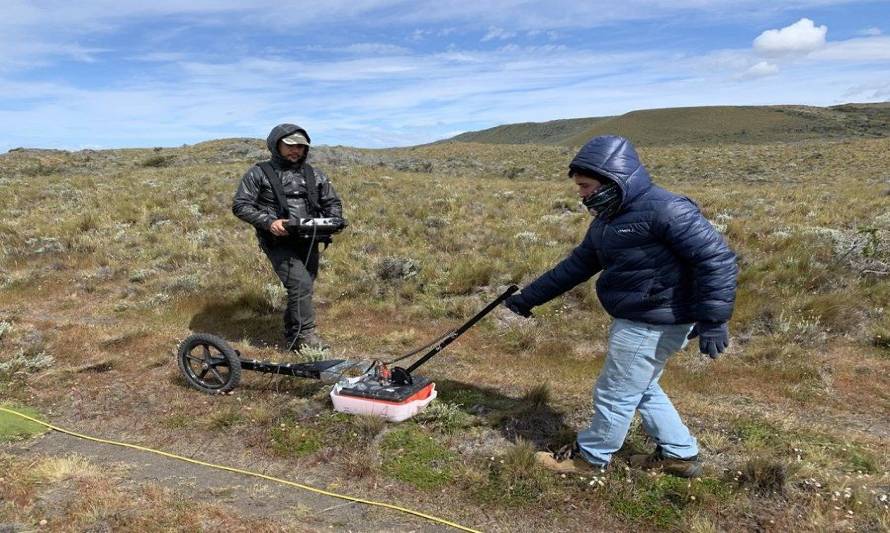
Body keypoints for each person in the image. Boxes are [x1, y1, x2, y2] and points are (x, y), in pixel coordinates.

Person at [503, 135, 737, 478]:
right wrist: (528, 298)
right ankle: (679, 454)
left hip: (653, 321)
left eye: (584, 186)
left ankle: (590, 459)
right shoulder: (607, 221)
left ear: (612, 178)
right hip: (644, 318)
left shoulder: (666, 209)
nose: (580, 194)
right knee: (640, 387)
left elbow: (717, 261)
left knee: (614, 392)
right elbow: (575, 267)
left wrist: (714, 319)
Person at [232, 123, 343, 352]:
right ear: (276, 145)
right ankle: (306, 337)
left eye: (301, 147)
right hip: (278, 242)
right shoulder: (259, 173)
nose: (296, 151)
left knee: (303, 287)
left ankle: (292, 334)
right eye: (290, 146)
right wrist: (269, 222)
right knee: (300, 284)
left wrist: (332, 221)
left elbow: (332, 202)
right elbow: (241, 205)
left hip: (309, 238)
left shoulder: (315, 174)